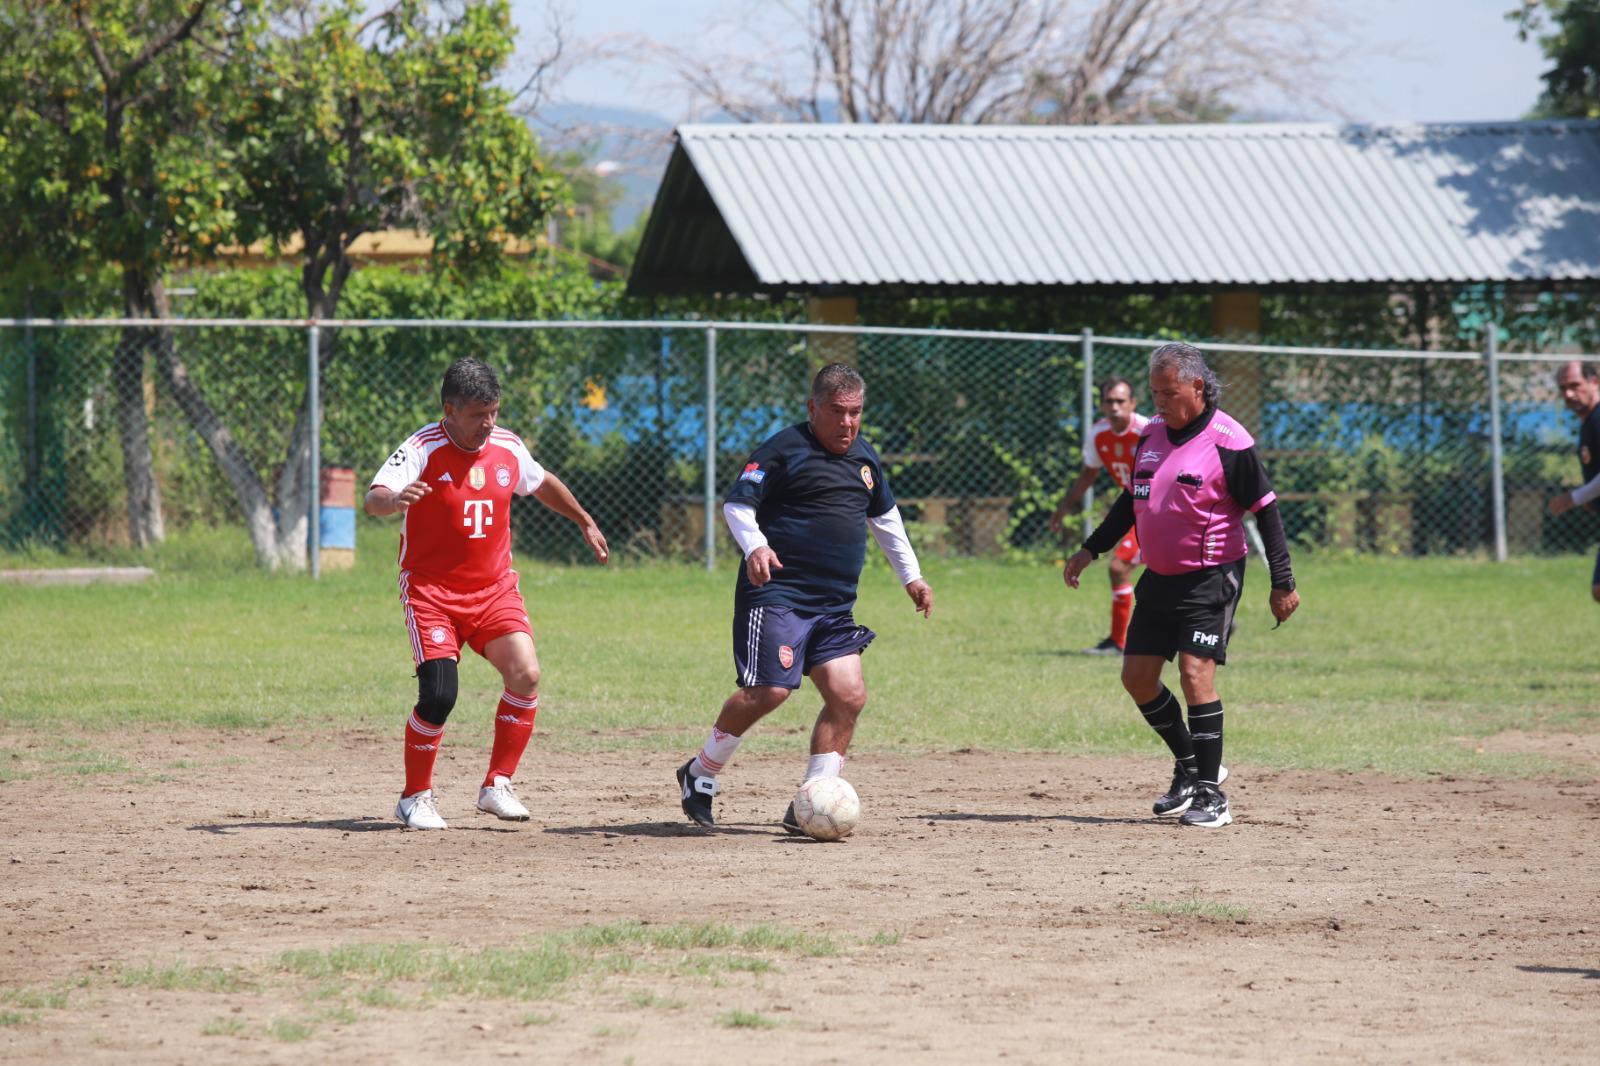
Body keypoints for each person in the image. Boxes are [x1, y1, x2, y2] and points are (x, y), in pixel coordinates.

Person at [675, 363, 935, 831]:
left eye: (856, 412)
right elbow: (738, 504)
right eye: (837, 411)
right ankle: (700, 774)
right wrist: (756, 546)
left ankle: (812, 798)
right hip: (779, 595)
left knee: (849, 696)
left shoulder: (865, 458)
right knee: (769, 690)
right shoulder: (784, 449)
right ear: (813, 408)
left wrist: (911, 577)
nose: (848, 423)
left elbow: (887, 520)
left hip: (833, 605)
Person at [365, 357, 609, 830]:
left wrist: (584, 520)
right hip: (431, 592)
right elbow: (374, 496)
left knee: (526, 674)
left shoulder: (506, 446)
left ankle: (497, 784)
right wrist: (394, 501)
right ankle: (415, 797)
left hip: (494, 590)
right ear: (450, 409)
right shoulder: (422, 447)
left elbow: (541, 483)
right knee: (438, 695)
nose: (489, 423)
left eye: (493, 411)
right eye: (478, 414)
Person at [1063, 342, 1299, 829]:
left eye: (1168, 392)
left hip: (1211, 577)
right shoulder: (1150, 433)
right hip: (1160, 577)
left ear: (1197, 386)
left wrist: (1283, 582)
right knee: (1137, 679)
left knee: (1196, 674)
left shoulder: (1229, 441)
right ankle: (1191, 766)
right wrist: (1091, 548)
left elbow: (1268, 512)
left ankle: (1213, 797)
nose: (1159, 402)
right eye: (1154, 392)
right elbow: (1131, 500)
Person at [1049, 378, 1150, 655]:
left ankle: (1119, 643)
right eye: (1109, 401)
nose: (1115, 407)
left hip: (1158, 511)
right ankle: (1212, 616)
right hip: (1135, 513)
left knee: (1120, 568)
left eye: (1121, 401)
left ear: (1133, 403)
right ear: (1101, 404)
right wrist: (1065, 506)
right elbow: (1089, 473)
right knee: (1152, 572)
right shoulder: (1098, 434)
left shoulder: (1148, 431)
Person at [1546, 360, 1600, 604]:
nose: (1568, 394)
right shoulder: (1590, 422)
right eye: (1563, 388)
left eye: (1575, 385)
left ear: (1594, 382)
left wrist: (1575, 498)